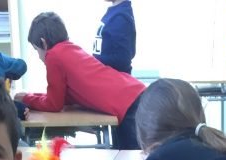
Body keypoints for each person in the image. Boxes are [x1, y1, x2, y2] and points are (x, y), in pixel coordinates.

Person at [14, 12, 145, 150]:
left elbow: (54, 104)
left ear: (44, 43)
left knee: (131, 158)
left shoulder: (53, 57)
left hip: (129, 106)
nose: (39, 56)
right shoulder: (70, 49)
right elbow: (60, 98)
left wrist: (26, 99)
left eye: (36, 50)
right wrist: (31, 96)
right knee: (127, 155)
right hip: (134, 94)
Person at [93, 0, 136, 75]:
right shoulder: (115, 11)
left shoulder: (120, 17)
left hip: (113, 79)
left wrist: (93, 61)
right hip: (106, 76)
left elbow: (123, 60)